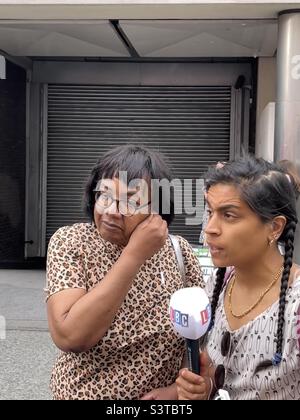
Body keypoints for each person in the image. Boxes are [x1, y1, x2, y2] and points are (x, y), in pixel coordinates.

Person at [46, 144, 204, 400]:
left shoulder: (179, 252)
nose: (111, 211)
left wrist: (178, 390)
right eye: (105, 195)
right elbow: (70, 335)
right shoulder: (71, 242)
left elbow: (197, 335)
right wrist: (134, 254)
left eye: (131, 201)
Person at [176, 156, 300, 400]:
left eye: (229, 215)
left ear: (274, 227)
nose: (210, 228)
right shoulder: (217, 285)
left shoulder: (295, 306)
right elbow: (221, 376)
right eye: (210, 212)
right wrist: (206, 387)